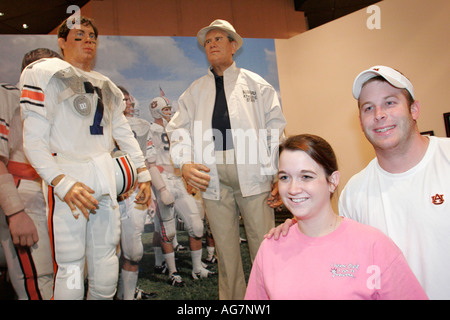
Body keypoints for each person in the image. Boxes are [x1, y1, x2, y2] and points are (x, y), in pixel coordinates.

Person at [266, 65, 450, 300]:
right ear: (361, 122)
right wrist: (297, 225)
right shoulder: (354, 192)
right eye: (368, 108)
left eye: (390, 103)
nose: (379, 114)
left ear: (414, 109)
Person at [19, 16, 151, 300]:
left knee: (105, 263)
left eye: (92, 35)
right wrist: (62, 183)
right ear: (61, 42)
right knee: (71, 265)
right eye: (79, 35)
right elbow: (33, 140)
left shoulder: (107, 84)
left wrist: (144, 173)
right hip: (69, 174)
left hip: (104, 176)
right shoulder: (45, 72)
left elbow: (124, 133)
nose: (88, 39)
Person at [165, 19, 286, 299]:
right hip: (211, 173)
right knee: (225, 248)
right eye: (208, 42)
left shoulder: (257, 85)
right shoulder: (194, 91)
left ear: (234, 46)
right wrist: (184, 163)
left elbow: (276, 129)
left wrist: (278, 172)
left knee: (263, 243)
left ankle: (268, 298)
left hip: (254, 170)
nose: (211, 44)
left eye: (218, 39)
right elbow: (178, 129)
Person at [245, 134, 427, 300]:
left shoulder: (374, 246)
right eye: (285, 177)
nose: (293, 189)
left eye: (306, 176)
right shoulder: (270, 248)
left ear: (332, 181)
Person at [0, 48, 62, 300]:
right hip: (25, 192)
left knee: (65, 277)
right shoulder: (9, 95)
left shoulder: (57, 105)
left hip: (53, 196)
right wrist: (15, 211)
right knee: (40, 281)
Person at [147, 95, 214, 287]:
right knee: (168, 230)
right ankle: (173, 272)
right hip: (163, 179)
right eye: (165, 109)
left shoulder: (176, 129)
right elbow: (149, 161)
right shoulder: (149, 130)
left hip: (179, 178)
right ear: (155, 111)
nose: (169, 112)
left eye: (169, 109)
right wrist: (159, 187)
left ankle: (197, 268)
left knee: (197, 225)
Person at [115, 86, 156, 300]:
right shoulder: (101, 124)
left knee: (134, 252)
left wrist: (149, 188)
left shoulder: (142, 126)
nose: (126, 103)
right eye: (121, 99)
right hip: (108, 195)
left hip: (133, 192)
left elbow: (147, 161)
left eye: (127, 99)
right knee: (107, 253)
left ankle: (127, 294)